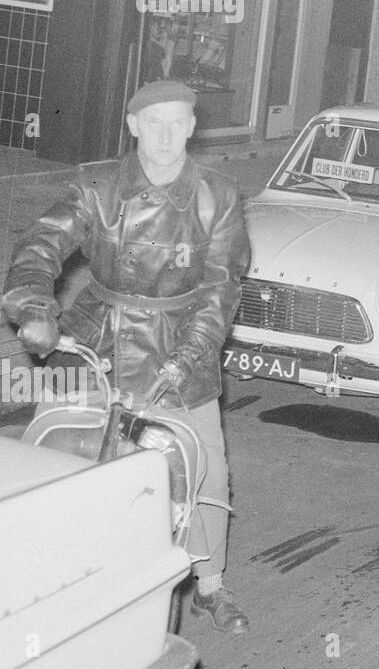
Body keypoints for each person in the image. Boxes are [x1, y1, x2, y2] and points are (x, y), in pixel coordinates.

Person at [2, 81, 252, 631]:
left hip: (182, 339)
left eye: (177, 122)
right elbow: (41, 243)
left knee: (202, 462)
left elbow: (220, 290)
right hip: (98, 336)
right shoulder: (98, 188)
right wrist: (34, 305)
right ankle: (39, 574)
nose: (165, 135)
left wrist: (185, 360)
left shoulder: (218, 195)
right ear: (133, 125)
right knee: (51, 449)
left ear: (192, 127)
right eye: (153, 122)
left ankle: (210, 583)